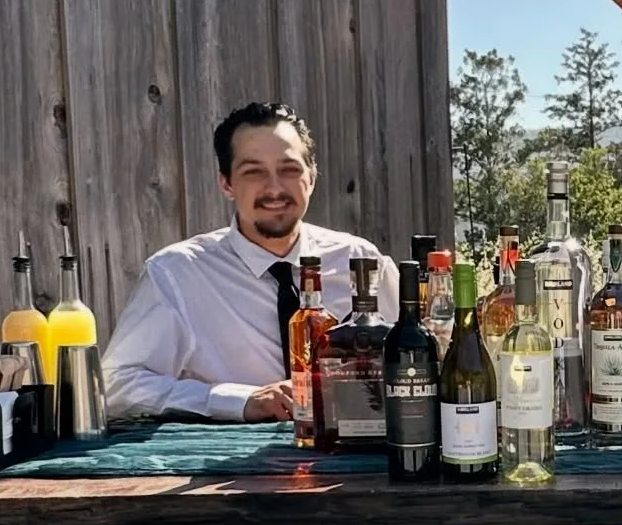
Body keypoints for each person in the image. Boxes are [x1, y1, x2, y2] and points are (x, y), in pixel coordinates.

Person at [103, 102, 400, 421]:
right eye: (253, 172)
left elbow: (418, 361)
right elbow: (116, 386)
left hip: (354, 446)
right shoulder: (177, 273)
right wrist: (238, 400)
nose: (274, 188)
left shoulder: (361, 261)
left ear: (312, 177)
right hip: (229, 453)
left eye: (289, 169)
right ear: (226, 184)